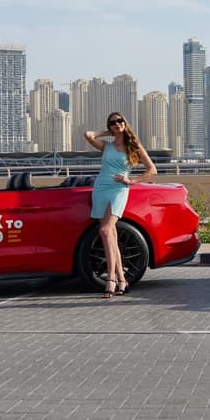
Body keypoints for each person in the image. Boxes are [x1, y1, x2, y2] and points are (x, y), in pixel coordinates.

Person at [83, 112, 157, 299]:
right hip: (101, 188)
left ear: (126, 122)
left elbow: (151, 169)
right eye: (113, 122)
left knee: (106, 231)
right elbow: (88, 134)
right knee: (111, 235)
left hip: (119, 189)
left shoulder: (134, 146)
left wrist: (132, 180)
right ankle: (122, 278)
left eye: (120, 121)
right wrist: (108, 132)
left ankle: (111, 279)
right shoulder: (107, 146)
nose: (117, 124)